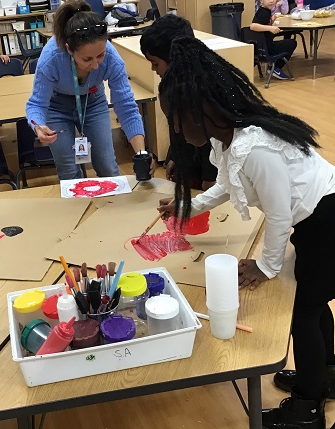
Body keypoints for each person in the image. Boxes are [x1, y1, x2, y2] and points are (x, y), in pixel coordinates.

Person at [157, 36, 335, 429]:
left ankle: (308, 406)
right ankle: (324, 376)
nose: (178, 133)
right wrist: (191, 206)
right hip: (317, 220)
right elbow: (227, 184)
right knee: (315, 302)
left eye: (178, 122)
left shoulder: (255, 147)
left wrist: (266, 266)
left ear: (203, 112)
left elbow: (278, 214)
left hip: (326, 222)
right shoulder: (230, 139)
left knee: (303, 312)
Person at [26, 0, 153, 180]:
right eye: (87, 59)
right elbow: (36, 104)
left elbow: (126, 106)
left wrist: (141, 152)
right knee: (69, 172)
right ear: (69, 50)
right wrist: (38, 126)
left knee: (108, 167)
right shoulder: (51, 58)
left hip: (92, 102)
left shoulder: (111, 58)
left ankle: (110, 208)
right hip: (56, 108)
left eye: (100, 55)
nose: (95, 65)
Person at [139, 14, 217, 191]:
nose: (153, 69)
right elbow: (176, 129)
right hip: (188, 164)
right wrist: (174, 155)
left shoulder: (203, 88)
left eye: (155, 63)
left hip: (208, 172)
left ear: (175, 59)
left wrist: (209, 178)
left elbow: (211, 140)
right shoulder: (173, 85)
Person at [251, 0, 297, 80]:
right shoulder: (263, 12)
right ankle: (276, 68)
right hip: (266, 48)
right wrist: (270, 28)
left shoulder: (267, 11)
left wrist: (272, 20)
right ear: (261, 1)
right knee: (292, 43)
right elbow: (253, 26)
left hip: (261, 47)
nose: (271, 1)